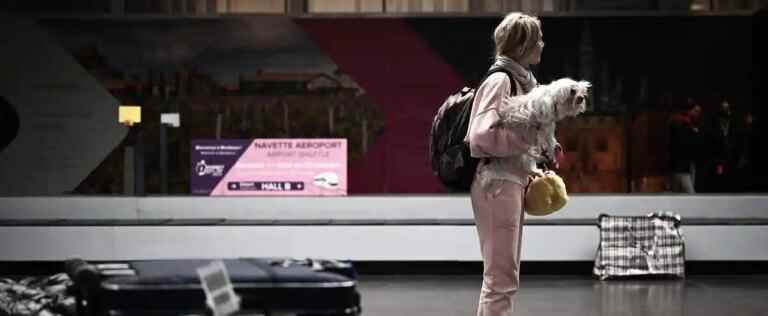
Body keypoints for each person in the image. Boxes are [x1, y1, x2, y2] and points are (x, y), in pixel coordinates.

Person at [464, 12, 545, 316]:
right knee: (500, 277)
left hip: (508, 181)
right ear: (522, 46)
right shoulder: (501, 80)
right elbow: (480, 137)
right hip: (496, 185)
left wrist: (536, 157)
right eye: (537, 39)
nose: (542, 44)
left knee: (503, 276)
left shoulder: (522, 81)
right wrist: (528, 143)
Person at [668, 101, 703, 193]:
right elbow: (684, 145)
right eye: (695, 111)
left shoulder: (691, 126)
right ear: (689, 111)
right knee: (689, 194)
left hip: (688, 166)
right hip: (680, 167)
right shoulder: (680, 125)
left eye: (699, 112)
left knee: (681, 194)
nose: (698, 114)